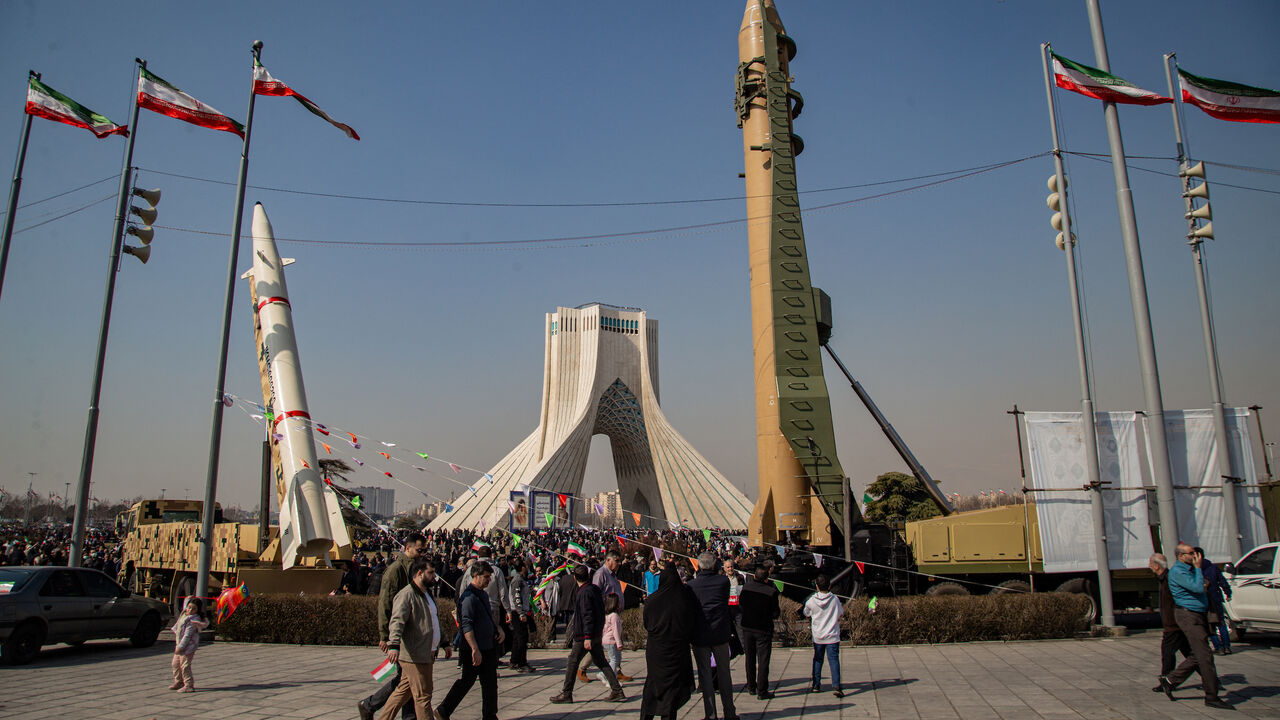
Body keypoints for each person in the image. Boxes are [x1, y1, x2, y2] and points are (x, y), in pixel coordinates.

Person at [360, 532, 427, 720]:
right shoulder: (396, 570)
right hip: (400, 634)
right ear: (408, 548)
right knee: (406, 679)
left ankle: (372, 706)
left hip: (413, 633)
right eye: (419, 550)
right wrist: (385, 636)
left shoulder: (417, 570)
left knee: (407, 679)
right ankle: (371, 705)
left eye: (424, 551)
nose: (422, 554)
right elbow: (385, 603)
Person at [1160, 542, 1232, 710]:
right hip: (1188, 615)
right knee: (1205, 656)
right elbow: (1199, 586)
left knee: (1199, 654)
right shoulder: (1178, 572)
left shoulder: (1190, 569)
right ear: (1180, 556)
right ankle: (1212, 696)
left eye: (1195, 553)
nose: (1195, 556)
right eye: (1190, 553)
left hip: (1198, 614)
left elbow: (1206, 583)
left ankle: (1170, 680)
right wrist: (1199, 569)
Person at [379, 557, 449, 720]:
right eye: (430, 573)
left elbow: (433, 621)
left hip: (426, 653)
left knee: (404, 691)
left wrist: (444, 642)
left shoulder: (427, 595)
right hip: (414, 655)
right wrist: (394, 645)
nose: (434, 577)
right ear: (419, 573)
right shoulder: (406, 595)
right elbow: (397, 621)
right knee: (423, 696)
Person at [436, 561, 504, 720]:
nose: (489, 581)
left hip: (487, 646)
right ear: (476, 576)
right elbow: (466, 625)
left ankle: (490, 714)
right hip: (474, 649)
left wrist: (497, 628)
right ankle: (443, 710)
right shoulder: (468, 597)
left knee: (490, 683)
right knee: (467, 681)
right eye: (486, 577)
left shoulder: (483, 594)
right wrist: (474, 649)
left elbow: (487, 616)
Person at [549, 564, 626, 704]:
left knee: (573, 661)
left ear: (574, 578)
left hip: (585, 635)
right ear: (589, 576)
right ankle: (617, 690)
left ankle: (567, 693)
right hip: (595, 632)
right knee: (601, 662)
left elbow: (587, 616)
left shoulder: (584, 593)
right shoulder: (594, 589)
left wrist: (587, 637)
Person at [641, 563, 697, 720]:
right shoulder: (685, 600)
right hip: (677, 650)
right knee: (672, 689)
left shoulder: (652, 601)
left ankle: (647, 715)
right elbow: (690, 623)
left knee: (653, 683)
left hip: (656, 650)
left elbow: (647, 624)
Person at [687, 551, 738, 720]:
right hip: (720, 634)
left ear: (699, 566)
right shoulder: (723, 581)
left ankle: (711, 715)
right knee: (725, 674)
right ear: (715, 565)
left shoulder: (692, 585)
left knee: (705, 676)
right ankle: (730, 713)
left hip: (700, 636)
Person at [1148, 553, 1193, 692]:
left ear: (1156, 566)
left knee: (1167, 653)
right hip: (1175, 623)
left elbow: (1177, 600)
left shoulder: (1169, 579)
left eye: (1150, 563)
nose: (1149, 566)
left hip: (1174, 624)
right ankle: (1210, 678)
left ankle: (1166, 681)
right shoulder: (1164, 579)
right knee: (1191, 654)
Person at [738, 562, 780, 699]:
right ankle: (762, 690)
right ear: (766, 578)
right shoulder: (771, 591)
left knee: (749, 658)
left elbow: (741, 605)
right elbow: (775, 613)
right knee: (763, 660)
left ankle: (751, 686)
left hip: (748, 627)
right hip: (763, 628)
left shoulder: (746, 587)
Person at [804, 574, 844, 698]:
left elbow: (806, 613)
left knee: (817, 659)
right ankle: (836, 685)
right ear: (830, 585)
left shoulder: (811, 600)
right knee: (834, 660)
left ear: (816, 586)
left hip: (818, 635)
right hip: (832, 635)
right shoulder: (835, 599)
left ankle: (816, 684)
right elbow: (840, 613)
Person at [1195, 546, 1234, 655]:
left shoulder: (1195, 570)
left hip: (1204, 600)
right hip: (1216, 598)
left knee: (1209, 626)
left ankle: (1218, 647)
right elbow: (1222, 581)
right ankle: (1226, 646)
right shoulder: (1213, 567)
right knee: (1221, 623)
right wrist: (1228, 593)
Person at [169, 597, 208, 693]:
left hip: (188, 647)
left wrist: (180, 647)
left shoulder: (193, 620)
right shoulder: (184, 614)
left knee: (185, 665)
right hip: (179, 644)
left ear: (197, 610)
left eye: (193, 609)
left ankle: (189, 685)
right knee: (175, 664)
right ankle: (179, 682)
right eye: (189, 607)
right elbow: (185, 604)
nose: (190, 610)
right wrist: (188, 599)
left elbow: (187, 636)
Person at [505, 558, 535, 673]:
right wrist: (521, 613)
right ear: (523, 568)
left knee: (518, 638)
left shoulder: (520, 580)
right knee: (522, 637)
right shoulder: (517, 580)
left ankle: (514, 660)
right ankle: (521, 662)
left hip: (520, 611)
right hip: (518, 612)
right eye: (526, 567)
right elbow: (516, 597)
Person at [598, 592, 624, 683]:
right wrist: (619, 643)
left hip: (606, 640)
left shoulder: (606, 615)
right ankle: (605, 675)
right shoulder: (614, 616)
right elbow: (615, 631)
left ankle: (614, 679)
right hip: (611, 640)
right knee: (614, 660)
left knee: (616, 659)